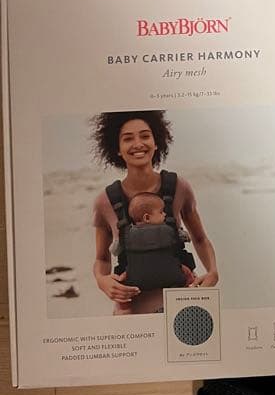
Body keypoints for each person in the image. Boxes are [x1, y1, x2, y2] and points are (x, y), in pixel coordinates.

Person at [90, 110, 219, 315]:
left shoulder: (179, 187)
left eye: (145, 136)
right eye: (128, 139)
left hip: (183, 307)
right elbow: (102, 258)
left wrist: (212, 272)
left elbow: (200, 239)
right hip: (132, 313)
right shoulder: (104, 201)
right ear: (117, 149)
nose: (138, 144)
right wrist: (102, 280)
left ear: (156, 142)